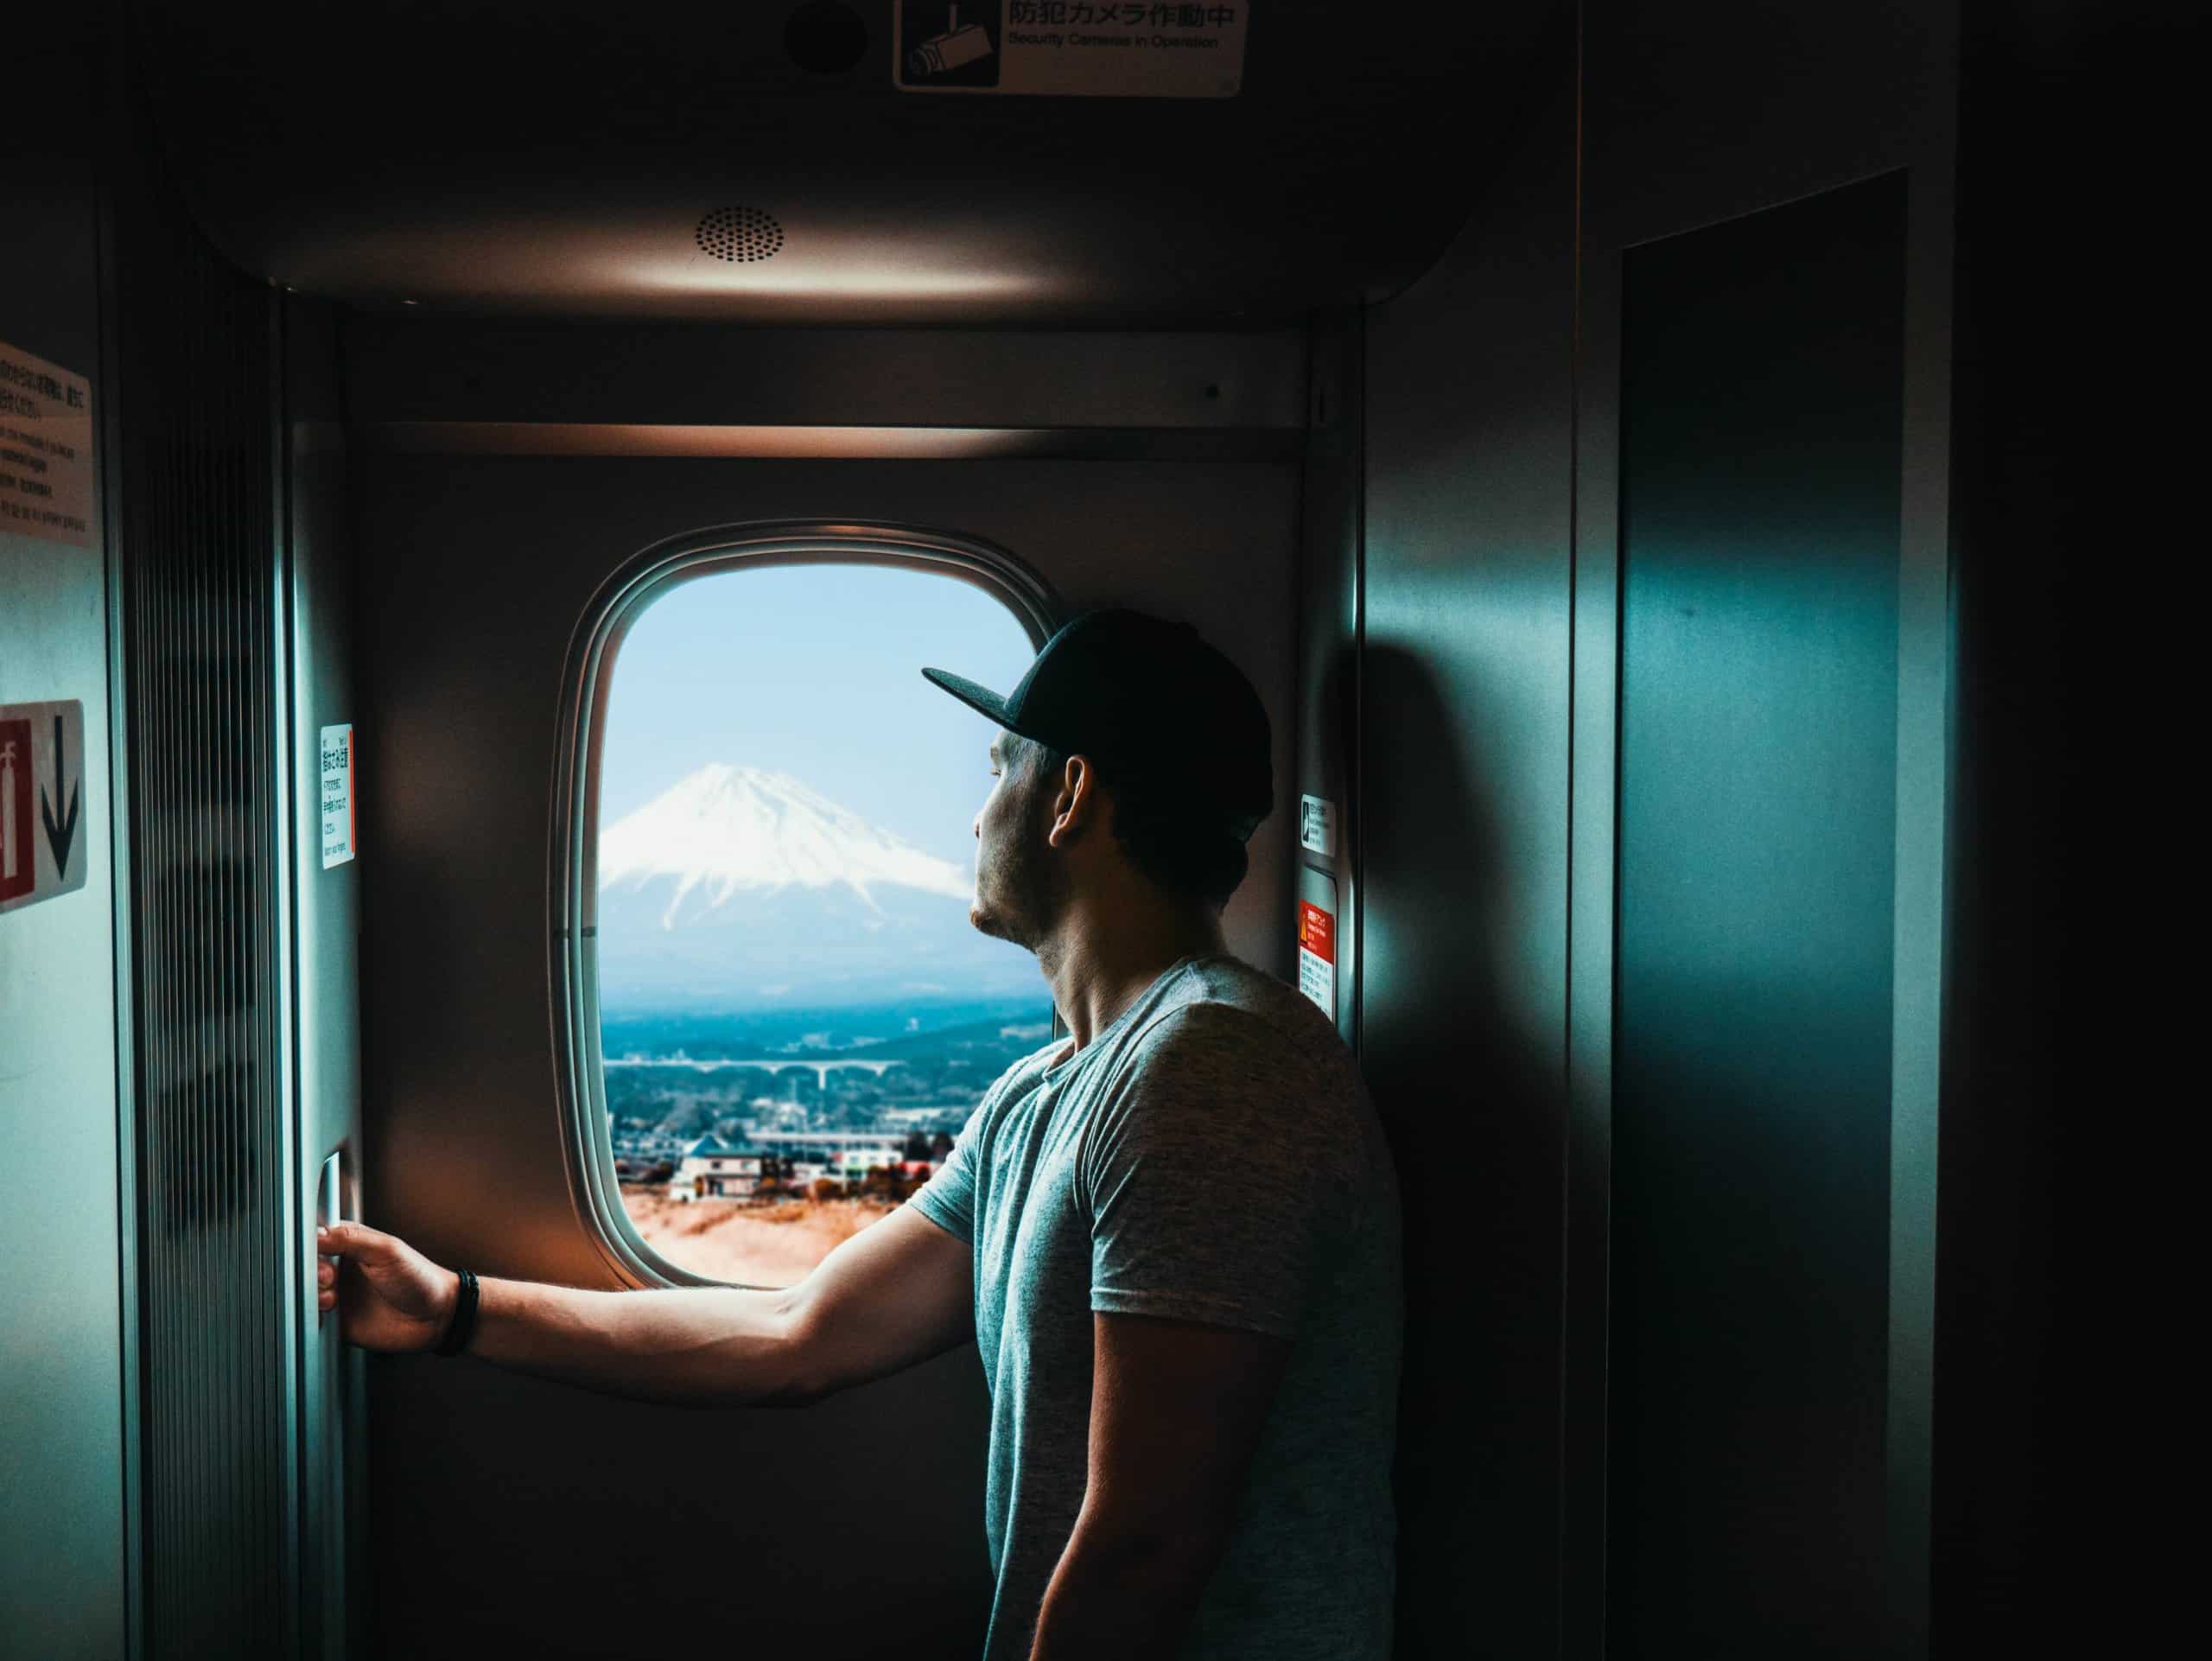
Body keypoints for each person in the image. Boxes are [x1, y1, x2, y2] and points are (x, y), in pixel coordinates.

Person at [317, 607, 1403, 1661]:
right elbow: (800, 1332)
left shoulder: (1213, 1071)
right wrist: (454, 1308)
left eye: (996, 771)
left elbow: (1144, 1543)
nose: (978, 818)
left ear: (1068, 794)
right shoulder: (1049, 1091)